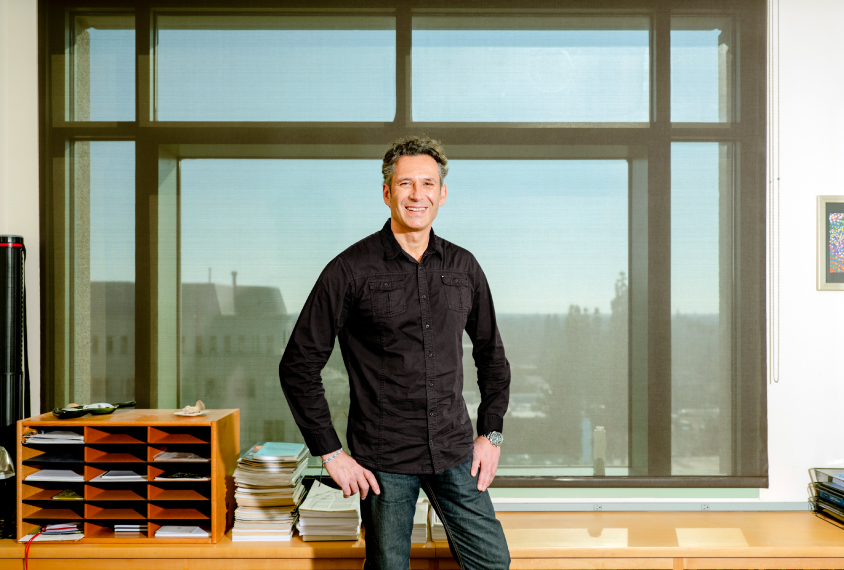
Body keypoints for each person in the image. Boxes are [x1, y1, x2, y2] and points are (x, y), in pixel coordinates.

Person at [279, 135, 511, 570]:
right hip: (384, 461)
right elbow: (298, 366)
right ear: (387, 192)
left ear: (442, 194)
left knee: (493, 565)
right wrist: (330, 452)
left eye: (428, 183)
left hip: (454, 451)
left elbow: (492, 358)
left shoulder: (464, 268)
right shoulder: (349, 270)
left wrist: (491, 433)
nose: (417, 195)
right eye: (406, 184)